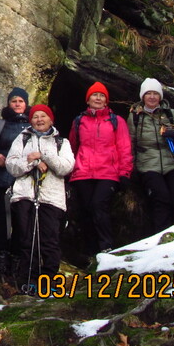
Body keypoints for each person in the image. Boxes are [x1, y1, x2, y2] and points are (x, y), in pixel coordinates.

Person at [5, 105, 75, 292]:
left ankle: (49, 280)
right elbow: (11, 165)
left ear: (51, 120)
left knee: (49, 240)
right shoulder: (22, 138)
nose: (39, 119)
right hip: (24, 195)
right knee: (26, 240)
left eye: (43, 116)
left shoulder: (61, 142)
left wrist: (45, 156)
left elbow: (66, 167)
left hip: (52, 198)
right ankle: (28, 280)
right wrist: (33, 162)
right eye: (35, 116)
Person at [69, 81, 133, 259]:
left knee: (99, 205)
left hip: (108, 172)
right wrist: (70, 170)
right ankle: (90, 251)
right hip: (83, 172)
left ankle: (106, 246)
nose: (98, 98)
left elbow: (124, 148)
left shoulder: (116, 121)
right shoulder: (79, 121)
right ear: (88, 99)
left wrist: (125, 173)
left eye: (102, 95)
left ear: (106, 100)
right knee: (86, 210)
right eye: (94, 95)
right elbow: (72, 147)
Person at [129, 78, 174, 233]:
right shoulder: (135, 117)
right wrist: (133, 169)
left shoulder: (171, 114)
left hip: (173, 162)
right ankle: (162, 236)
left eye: (155, 93)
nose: (152, 97)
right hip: (148, 165)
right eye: (148, 93)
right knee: (161, 198)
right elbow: (130, 144)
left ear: (160, 96)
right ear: (142, 96)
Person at [0, 87, 29, 278]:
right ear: (8, 104)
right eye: (14, 101)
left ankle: (17, 256)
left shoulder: (32, 126)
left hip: (23, 179)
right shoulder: (0, 124)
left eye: (20, 101)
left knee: (21, 218)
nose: (17, 104)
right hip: (1, 177)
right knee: (2, 218)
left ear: (26, 104)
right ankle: (2, 254)